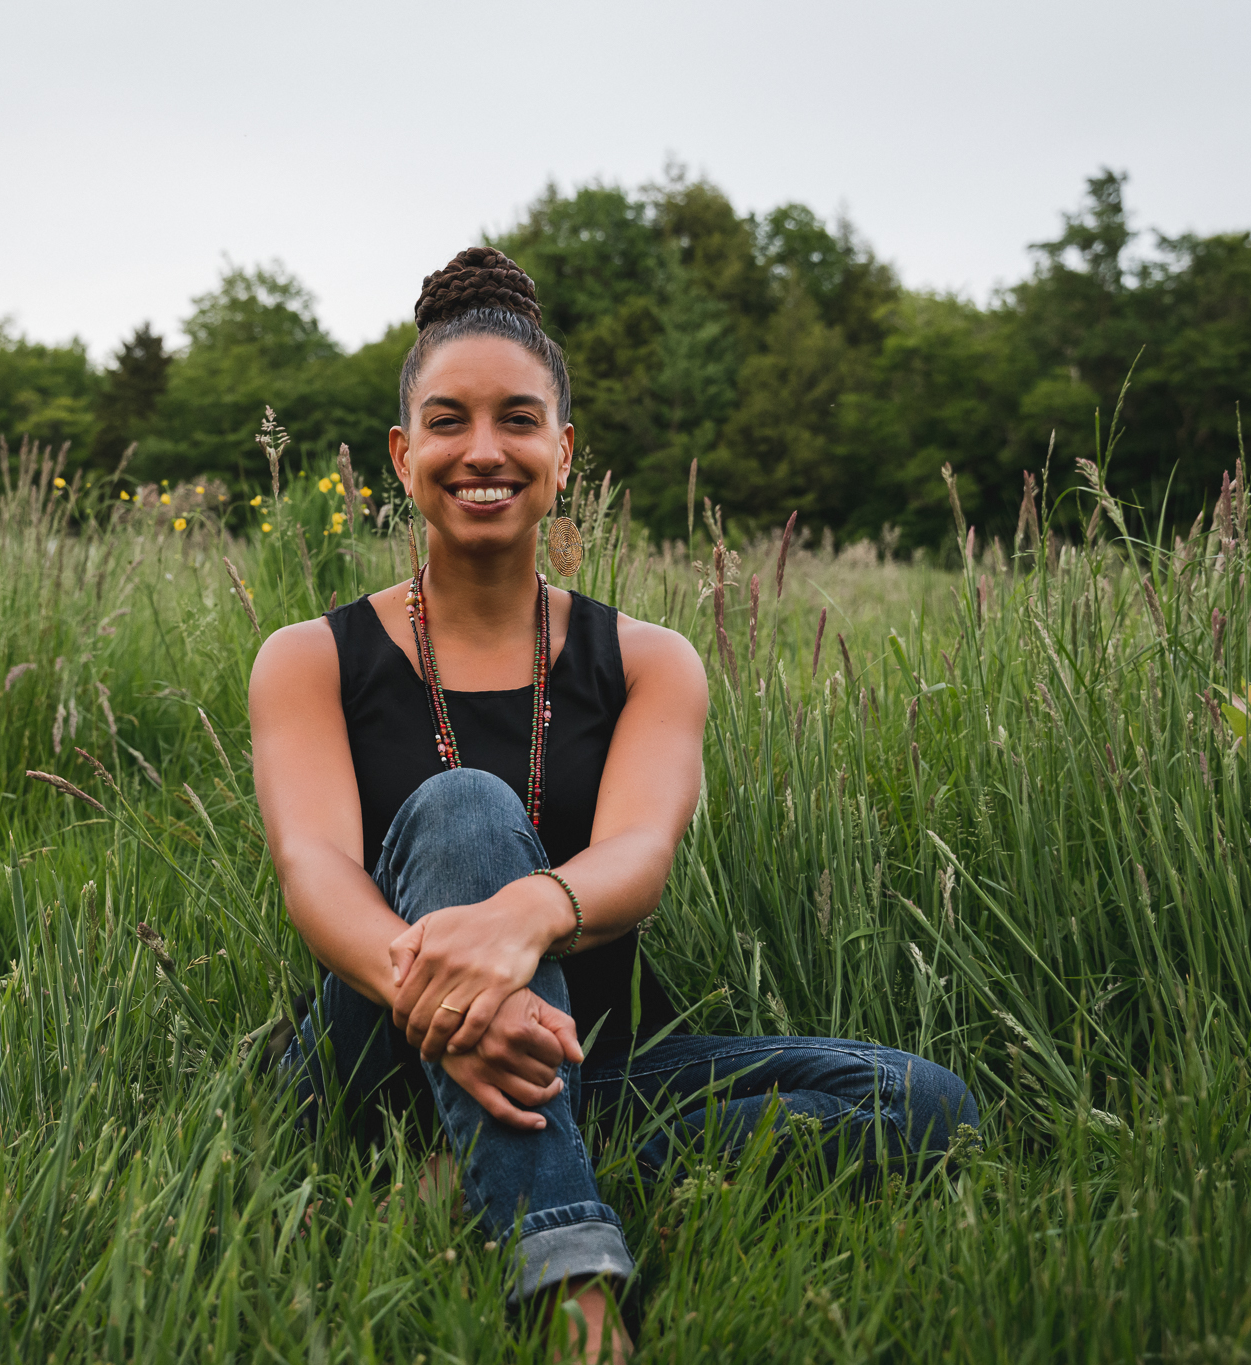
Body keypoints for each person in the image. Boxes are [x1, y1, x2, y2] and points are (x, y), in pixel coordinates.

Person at [249, 246, 977, 1362]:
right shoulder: (310, 657)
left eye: (517, 420)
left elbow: (640, 850)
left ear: (563, 453)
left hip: (587, 1056)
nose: (481, 451)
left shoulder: (648, 659)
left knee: (922, 1103)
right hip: (379, 1050)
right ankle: (572, 1292)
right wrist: (470, 1000)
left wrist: (524, 916)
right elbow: (315, 876)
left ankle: (479, 1176)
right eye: (446, 423)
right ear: (401, 457)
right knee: (460, 805)